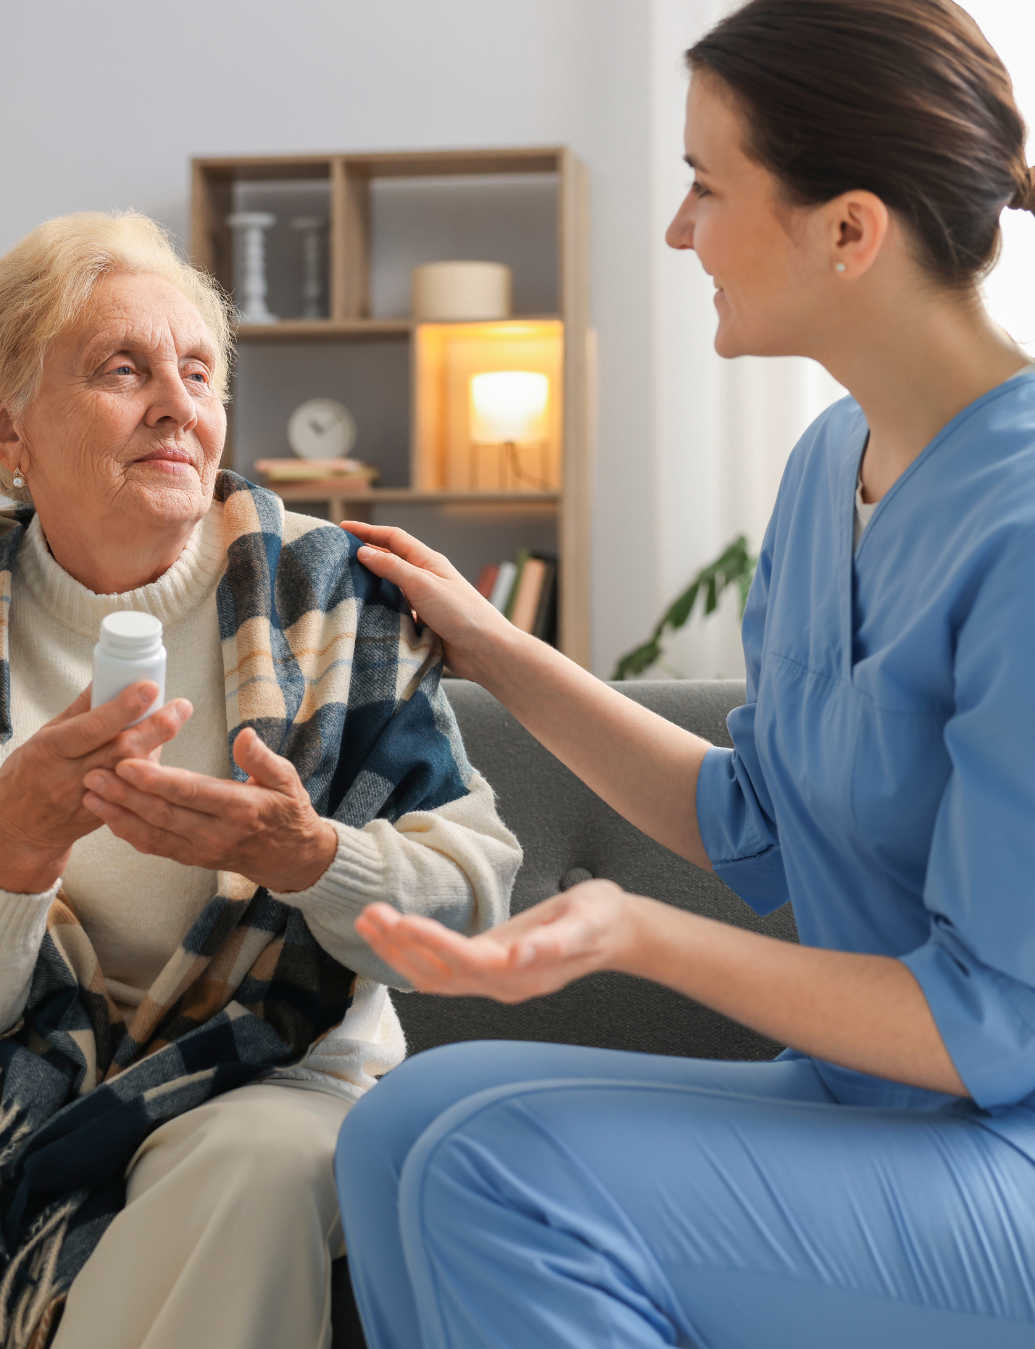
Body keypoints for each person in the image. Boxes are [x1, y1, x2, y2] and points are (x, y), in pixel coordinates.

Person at [333, 2, 1035, 1345]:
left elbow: (989, 1026)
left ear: (849, 230)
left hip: (1003, 1148)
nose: (677, 230)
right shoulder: (833, 463)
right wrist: (488, 644)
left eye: (706, 185)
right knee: (401, 1123)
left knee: (496, 1170)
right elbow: (752, 819)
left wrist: (637, 930)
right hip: (863, 1105)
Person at [0, 211, 520, 1349]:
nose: (178, 403)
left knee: (257, 1170)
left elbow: (476, 896)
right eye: (124, 368)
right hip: (8, 1074)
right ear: (4, 422)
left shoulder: (336, 600)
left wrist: (311, 856)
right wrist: (3, 854)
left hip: (281, 1077)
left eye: (200, 371)